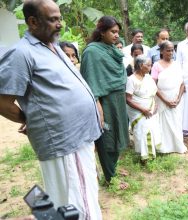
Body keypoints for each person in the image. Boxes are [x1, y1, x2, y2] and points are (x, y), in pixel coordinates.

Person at [0, 0, 102, 219]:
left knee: (80, 194)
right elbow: (2, 102)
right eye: (53, 19)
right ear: (33, 22)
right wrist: (30, 119)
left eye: (59, 18)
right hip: (63, 141)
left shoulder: (53, 46)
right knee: (77, 200)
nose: (60, 24)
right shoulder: (21, 53)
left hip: (79, 137)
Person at [80, 16, 129, 184]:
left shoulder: (111, 49)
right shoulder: (92, 52)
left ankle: (112, 169)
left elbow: (120, 76)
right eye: (112, 31)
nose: (116, 35)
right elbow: (91, 83)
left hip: (118, 100)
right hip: (104, 102)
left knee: (118, 136)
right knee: (107, 139)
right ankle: (110, 178)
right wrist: (99, 108)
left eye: (117, 32)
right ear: (102, 32)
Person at [151, 41, 187, 154]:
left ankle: (177, 146)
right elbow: (153, 86)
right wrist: (165, 100)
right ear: (161, 51)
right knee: (163, 122)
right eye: (168, 50)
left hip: (176, 99)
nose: (171, 52)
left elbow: (182, 83)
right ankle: (164, 147)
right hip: (162, 98)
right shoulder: (156, 65)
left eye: (172, 50)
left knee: (176, 121)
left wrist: (179, 98)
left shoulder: (177, 64)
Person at [126, 55, 161, 164]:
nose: (151, 67)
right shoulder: (131, 80)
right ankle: (144, 157)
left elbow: (154, 93)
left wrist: (154, 106)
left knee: (150, 129)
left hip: (150, 108)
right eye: (149, 65)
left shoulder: (148, 77)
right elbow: (128, 99)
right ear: (141, 66)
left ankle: (152, 154)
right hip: (138, 111)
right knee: (142, 131)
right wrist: (143, 110)